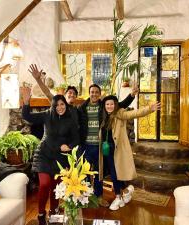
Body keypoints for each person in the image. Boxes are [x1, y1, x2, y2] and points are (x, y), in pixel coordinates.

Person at [21, 88, 80, 225]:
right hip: (44, 154)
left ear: (66, 104)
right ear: (53, 106)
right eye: (57, 105)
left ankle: (54, 211)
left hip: (60, 157)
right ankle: (41, 212)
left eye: (62, 104)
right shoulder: (47, 115)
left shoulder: (70, 119)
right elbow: (27, 117)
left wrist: (69, 146)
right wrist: (26, 101)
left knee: (56, 187)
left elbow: (76, 139)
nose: (60, 107)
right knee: (45, 184)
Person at [78, 84, 137, 207]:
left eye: (96, 92)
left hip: (99, 146)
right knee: (85, 173)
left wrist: (131, 95)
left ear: (99, 94)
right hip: (86, 146)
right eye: (92, 92)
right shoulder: (82, 108)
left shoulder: (103, 106)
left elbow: (120, 105)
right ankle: (86, 197)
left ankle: (99, 197)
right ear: (89, 93)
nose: (94, 94)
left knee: (98, 173)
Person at [99, 95, 161, 210]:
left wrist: (148, 109)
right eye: (107, 104)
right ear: (104, 105)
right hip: (106, 150)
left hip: (117, 150)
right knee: (115, 173)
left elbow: (134, 113)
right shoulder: (103, 116)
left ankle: (118, 196)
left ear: (115, 104)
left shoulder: (119, 114)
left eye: (111, 104)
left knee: (115, 174)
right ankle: (127, 191)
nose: (109, 106)